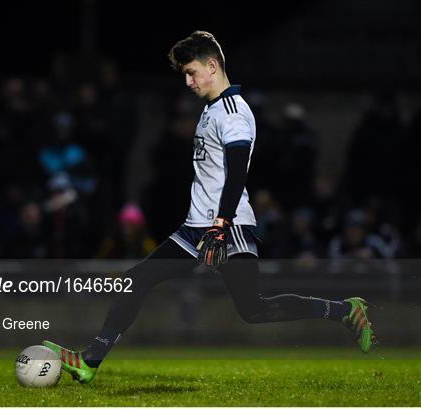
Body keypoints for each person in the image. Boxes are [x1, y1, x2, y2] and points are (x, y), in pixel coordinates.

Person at [43, 31, 376, 384]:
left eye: (191, 72)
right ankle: (90, 360)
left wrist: (220, 224)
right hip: (196, 227)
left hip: (225, 226)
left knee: (254, 309)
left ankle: (344, 310)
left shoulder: (232, 113)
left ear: (213, 66)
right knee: (136, 281)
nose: (187, 81)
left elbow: (236, 175)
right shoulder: (211, 109)